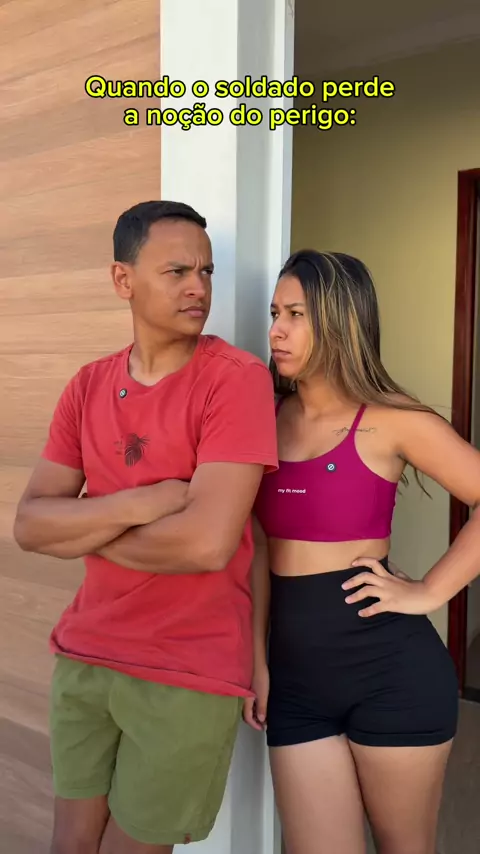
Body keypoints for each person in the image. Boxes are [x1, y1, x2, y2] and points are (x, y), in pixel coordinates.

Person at [13, 200, 278, 854]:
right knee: (70, 843)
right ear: (122, 279)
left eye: (207, 272)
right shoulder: (87, 386)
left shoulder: (236, 381)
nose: (199, 288)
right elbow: (31, 525)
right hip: (84, 654)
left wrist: (83, 522)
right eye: (178, 271)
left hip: (184, 668)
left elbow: (206, 544)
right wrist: (142, 503)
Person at [244, 249, 480, 854]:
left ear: (341, 322)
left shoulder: (392, 421)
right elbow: (259, 546)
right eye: (274, 313)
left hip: (392, 674)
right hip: (295, 680)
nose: (276, 330)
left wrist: (430, 591)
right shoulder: (262, 419)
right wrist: (257, 659)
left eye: (296, 314)